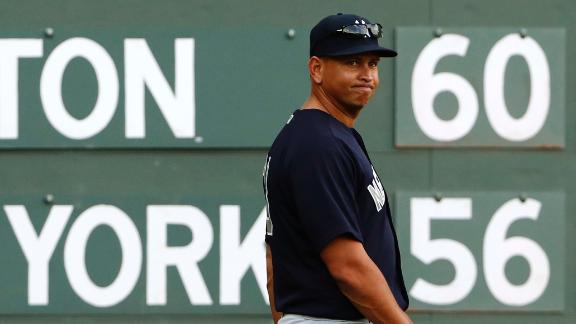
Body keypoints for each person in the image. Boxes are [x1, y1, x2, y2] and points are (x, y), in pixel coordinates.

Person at [263, 13, 411, 324]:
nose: (366, 74)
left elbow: (274, 258)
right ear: (316, 69)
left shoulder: (312, 135)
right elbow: (348, 267)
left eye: (372, 63)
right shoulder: (319, 144)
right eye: (352, 62)